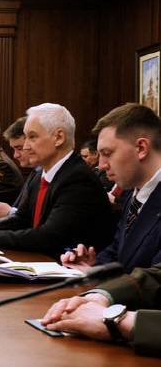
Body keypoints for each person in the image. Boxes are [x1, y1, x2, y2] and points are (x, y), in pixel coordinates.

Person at [0, 103, 115, 259]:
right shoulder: (40, 175)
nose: (25, 146)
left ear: (58, 137)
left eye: (32, 137)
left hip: (69, 268)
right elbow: (22, 219)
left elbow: (48, 236)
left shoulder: (78, 178)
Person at [60, 103, 161, 274]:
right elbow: (117, 254)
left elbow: (153, 281)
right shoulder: (133, 198)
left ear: (141, 148)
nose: (101, 165)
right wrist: (93, 267)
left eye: (107, 153)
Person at [0, 116, 41, 219]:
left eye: (19, 148)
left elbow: (38, 219)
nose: (15, 155)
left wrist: (9, 212)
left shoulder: (45, 174)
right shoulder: (35, 173)